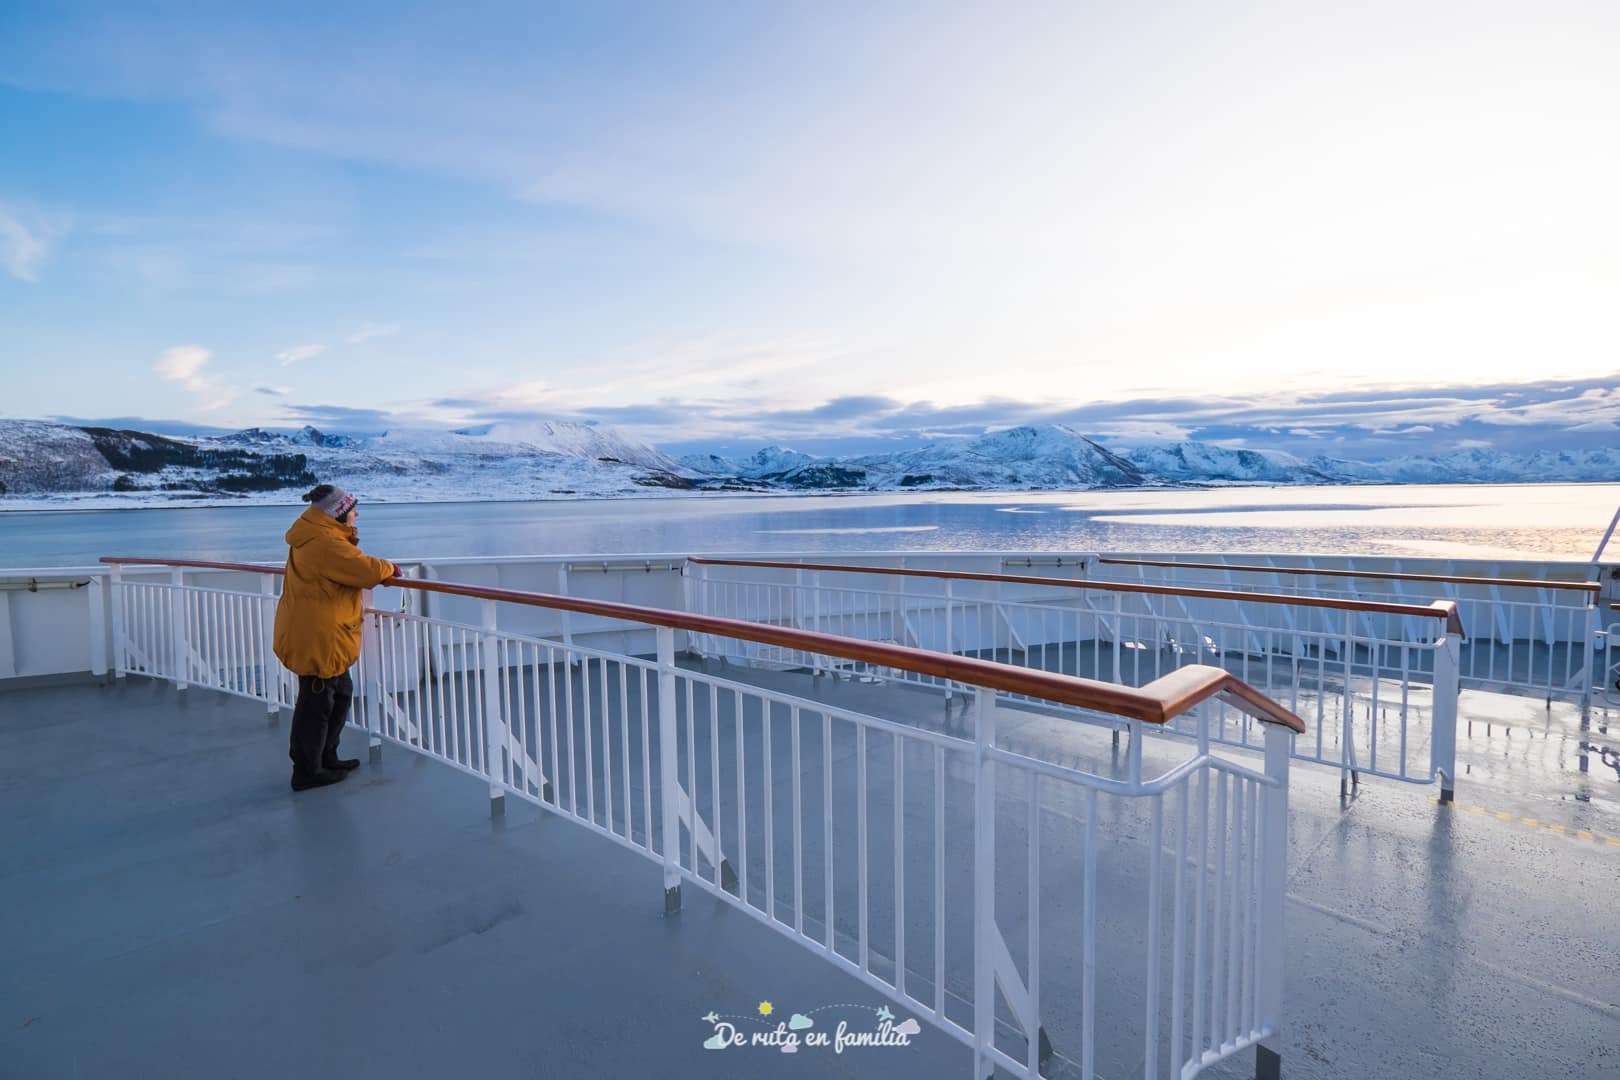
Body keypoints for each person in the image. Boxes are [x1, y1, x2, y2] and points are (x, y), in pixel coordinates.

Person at [273, 483, 400, 791]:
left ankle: (326, 757)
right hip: (319, 634)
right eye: (352, 508)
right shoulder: (324, 542)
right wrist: (390, 568)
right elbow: (364, 569)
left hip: (317, 629)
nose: (357, 513)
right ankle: (307, 770)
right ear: (337, 514)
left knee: (339, 692)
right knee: (316, 703)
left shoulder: (315, 534)